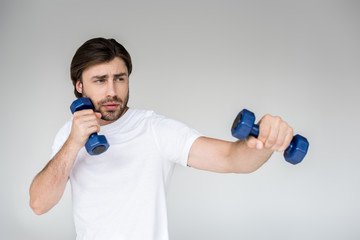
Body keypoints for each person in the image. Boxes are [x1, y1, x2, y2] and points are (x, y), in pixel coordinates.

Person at [29, 37, 294, 240]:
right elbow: (39, 204)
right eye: (100, 80)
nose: (112, 92)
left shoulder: (154, 129)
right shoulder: (69, 134)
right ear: (79, 86)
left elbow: (231, 159)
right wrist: (74, 143)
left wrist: (263, 144)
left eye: (119, 79)